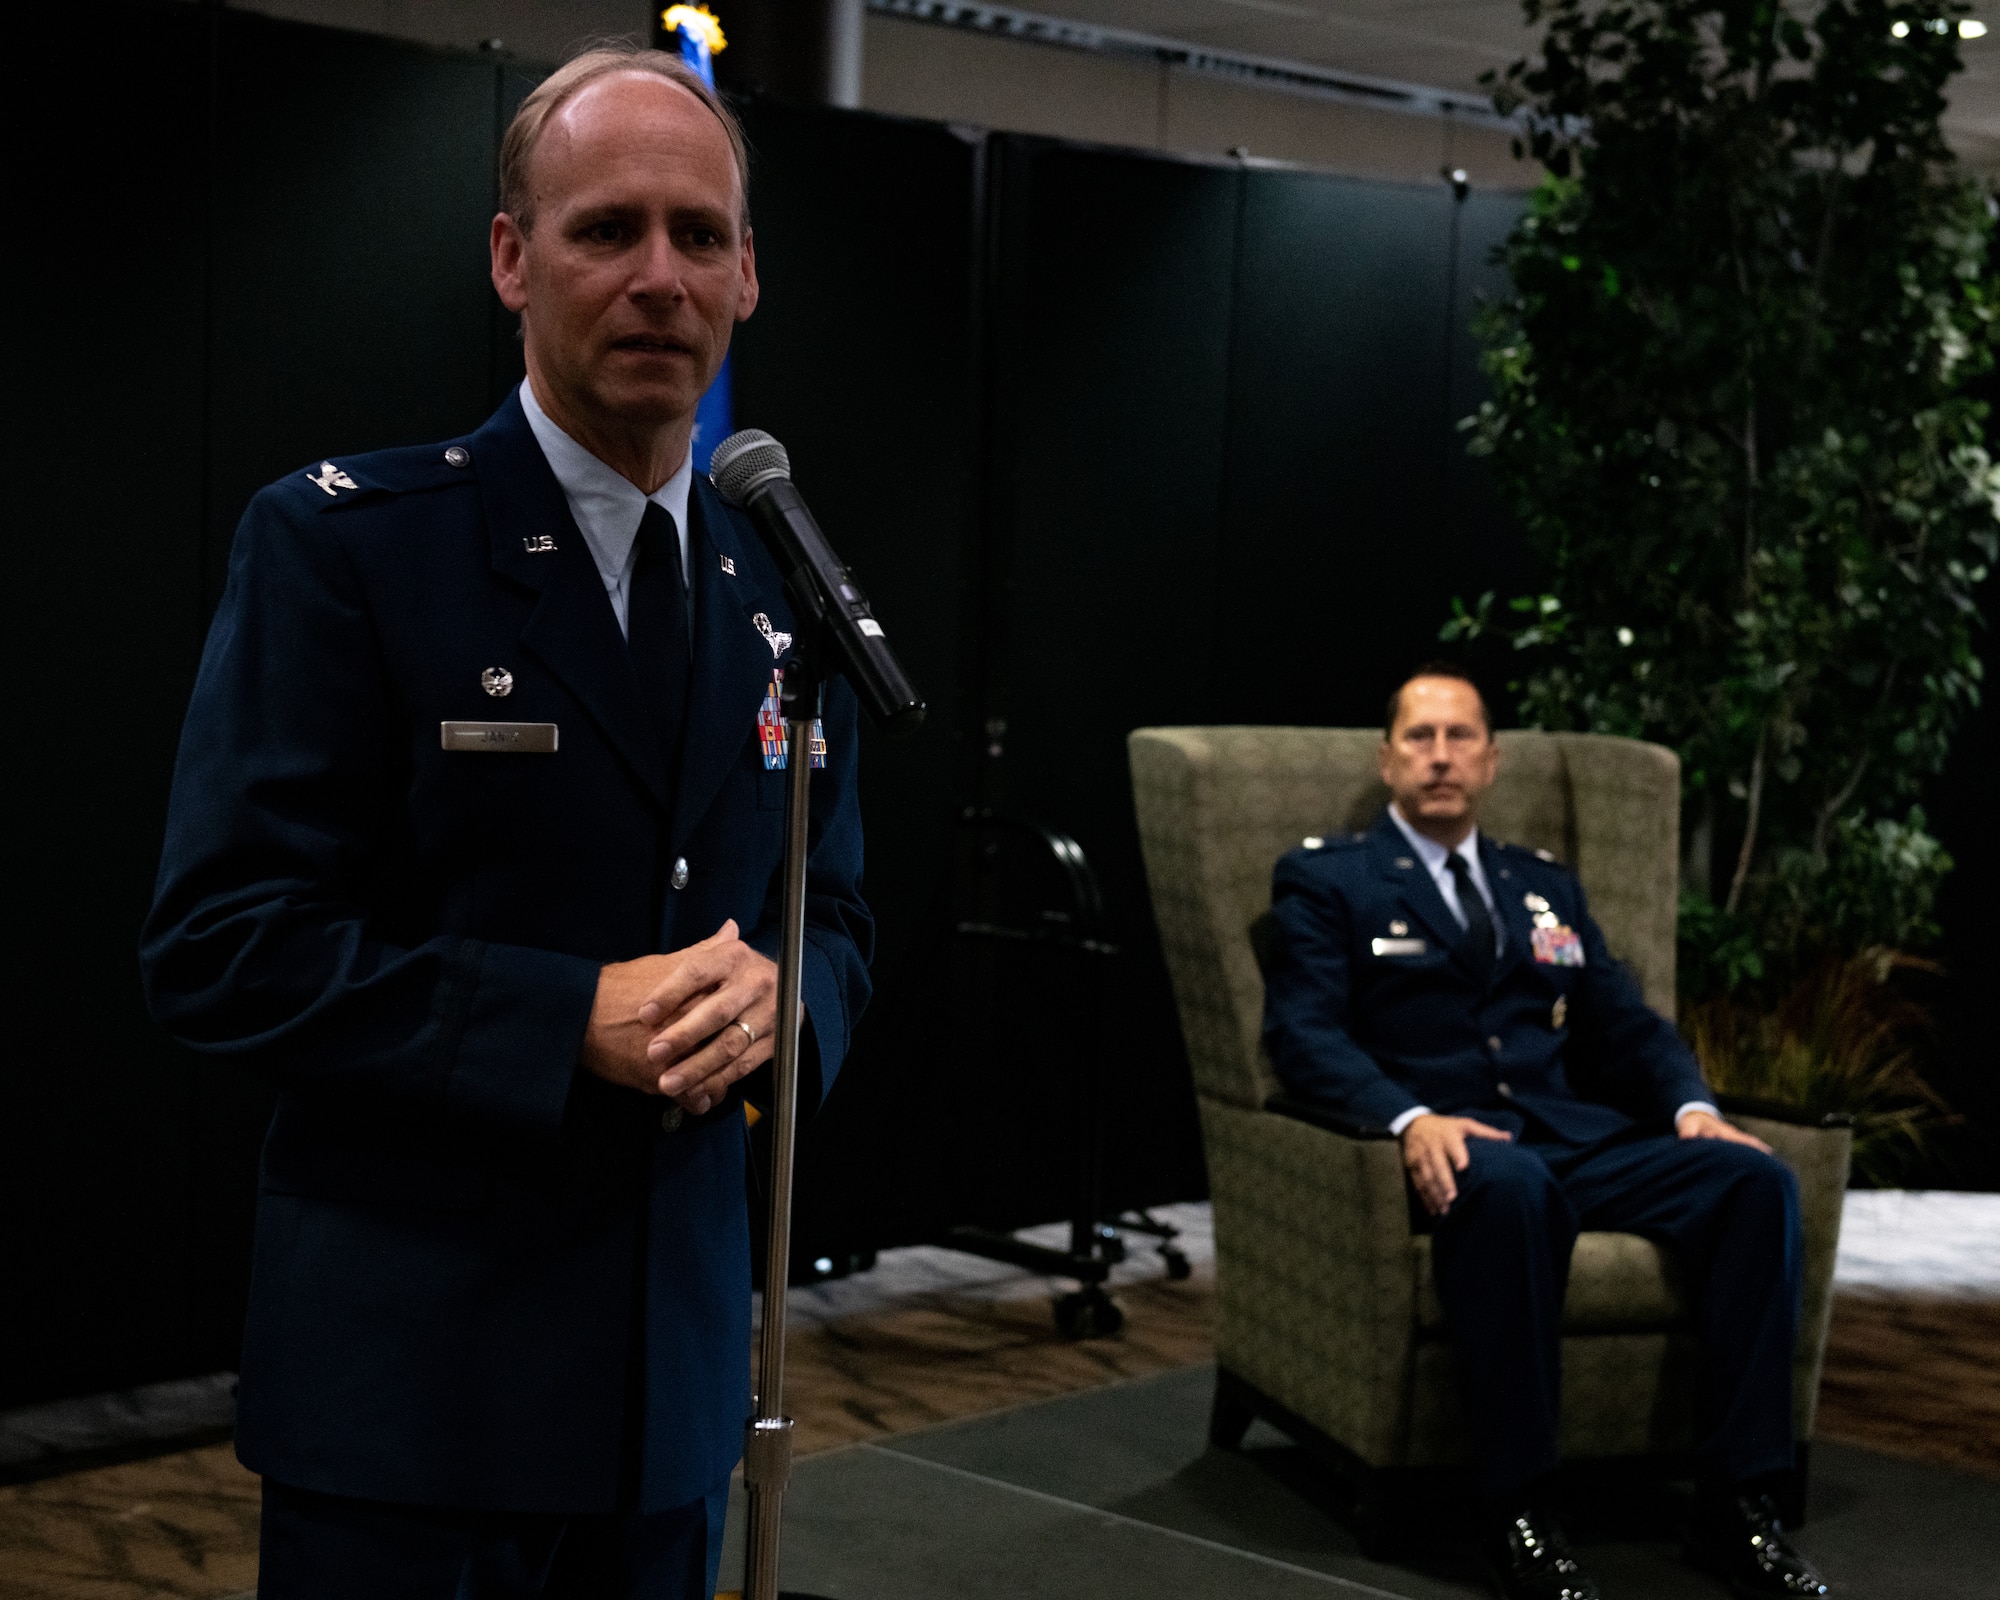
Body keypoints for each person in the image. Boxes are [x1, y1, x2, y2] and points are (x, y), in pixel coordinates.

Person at [140, 47, 871, 1600]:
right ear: (509, 258)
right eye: (608, 231)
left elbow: (843, 916)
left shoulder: (779, 591)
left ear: (750, 278)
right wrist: (564, 1019)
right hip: (417, 1403)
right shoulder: (350, 549)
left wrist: (781, 1003)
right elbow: (221, 948)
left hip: (668, 1401)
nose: (658, 277)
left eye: (698, 237)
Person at [1260, 664, 1827, 1600]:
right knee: (1515, 1189)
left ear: (1491, 759)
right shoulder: (1332, 879)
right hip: (1450, 1142)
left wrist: (1694, 1108)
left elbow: (1624, 1022)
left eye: (1460, 737)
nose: (1440, 757)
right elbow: (1302, 1033)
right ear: (1386, 758)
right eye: (1419, 738)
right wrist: (1407, 1116)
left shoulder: (1543, 887)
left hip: (1574, 1134)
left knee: (1753, 1183)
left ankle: (1737, 1504)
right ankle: (1519, 1509)